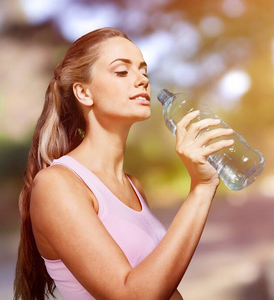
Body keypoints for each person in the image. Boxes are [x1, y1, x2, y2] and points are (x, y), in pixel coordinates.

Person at [13, 27, 234, 299]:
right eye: (122, 71)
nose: (141, 80)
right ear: (83, 93)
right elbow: (131, 295)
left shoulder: (133, 186)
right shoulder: (56, 185)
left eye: (144, 71)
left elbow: (164, 288)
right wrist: (201, 188)